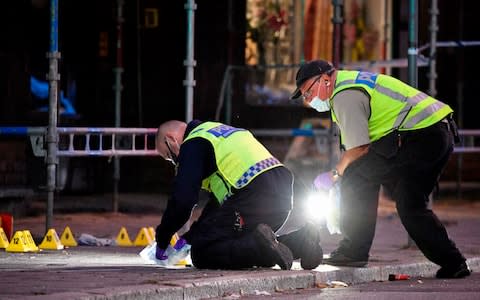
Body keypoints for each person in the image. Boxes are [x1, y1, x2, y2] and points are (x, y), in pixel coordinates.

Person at [289, 59, 471, 278]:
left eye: (308, 93)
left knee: (357, 176)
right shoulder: (349, 84)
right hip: (438, 132)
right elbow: (355, 148)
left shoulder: (344, 95)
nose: (309, 101)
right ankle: (454, 263)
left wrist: (335, 175)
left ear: (326, 80)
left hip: (420, 136)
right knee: (409, 204)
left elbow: (359, 148)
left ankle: (353, 250)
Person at [154, 119, 323, 270]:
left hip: (253, 194)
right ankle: (301, 242)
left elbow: (183, 199)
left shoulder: (193, 142)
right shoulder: (218, 132)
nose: (173, 161)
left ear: (171, 139)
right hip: (280, 195)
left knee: (203, 253)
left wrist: (163, 238)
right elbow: (218, 206)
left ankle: (261, 247)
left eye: (169, 156)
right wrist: (192, 235)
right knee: (234, 240)